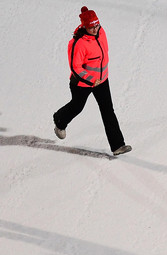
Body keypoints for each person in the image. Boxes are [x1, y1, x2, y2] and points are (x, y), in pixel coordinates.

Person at [53, 7, 131, 156]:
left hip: (101, 81)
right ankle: (59, 120)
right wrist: (91, 80)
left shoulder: (101, 32)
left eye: (96, 25)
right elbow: (75, 67)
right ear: (84, 26)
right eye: (91, 27)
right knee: (77, 107)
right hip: (82, 83)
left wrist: (99, 78)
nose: (95, 29)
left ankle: (117, 146)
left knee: (108, 110)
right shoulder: (78, 43)